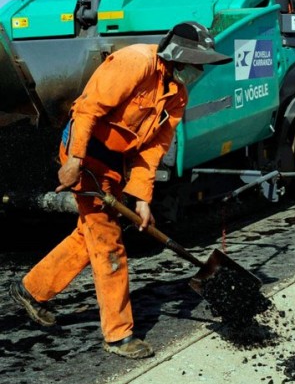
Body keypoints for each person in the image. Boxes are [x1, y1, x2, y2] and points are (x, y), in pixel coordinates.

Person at [9, 21, 232, 359]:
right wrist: (74, 161)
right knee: (107, 240)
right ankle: (118, 334)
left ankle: (30, 289)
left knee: (90, 233)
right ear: (177, 56)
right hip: (84, 153)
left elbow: (152, 151)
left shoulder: (177, 96)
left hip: (115, 162)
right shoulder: (135, 63)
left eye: (199, 68)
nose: (195, 72)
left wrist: (143, 199)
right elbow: (87, 111)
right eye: (193, 64)